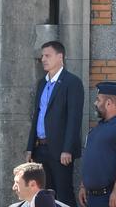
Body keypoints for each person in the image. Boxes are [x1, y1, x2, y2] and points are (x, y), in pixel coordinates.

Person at [26, 41, 84, 207]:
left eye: (47, 55)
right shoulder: (42, 83)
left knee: (63, 194)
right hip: (40, 148)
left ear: (60, 57)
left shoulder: (72, 82)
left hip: (60, 151)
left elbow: (74, 119)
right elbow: (37, 115)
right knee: (43, 195)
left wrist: (67, 149)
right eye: (42, 56)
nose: (43, 59)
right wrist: (30, 147)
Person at [78, 82, 116, 207]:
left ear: (109, 103)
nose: (95, 103)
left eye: (98, 100)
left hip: (108, 198)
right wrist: (83, 185)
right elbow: (91, 159)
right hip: (90, 197)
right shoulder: (98, 128)